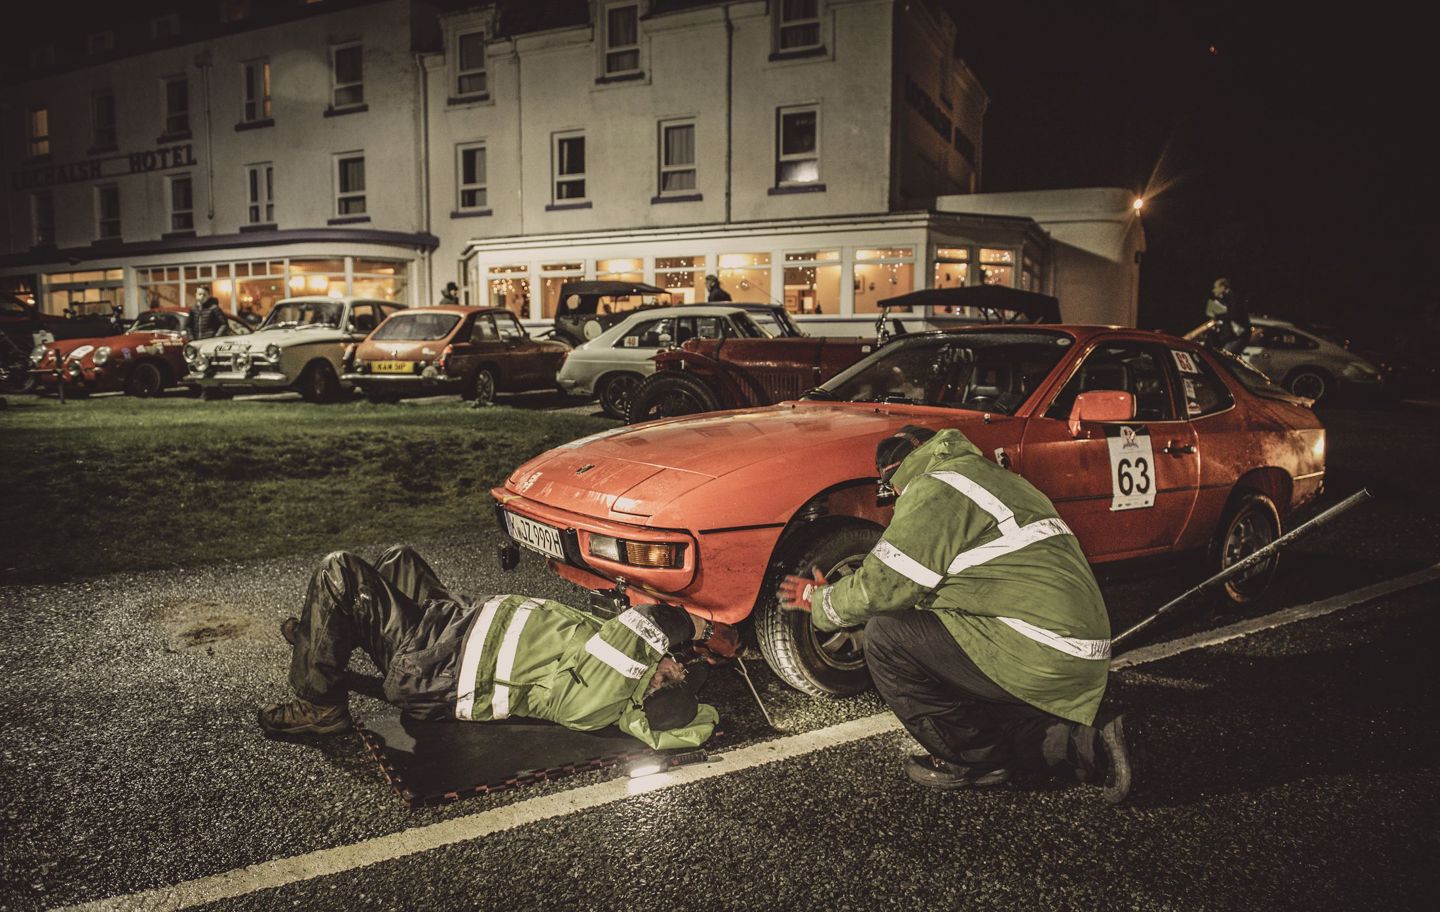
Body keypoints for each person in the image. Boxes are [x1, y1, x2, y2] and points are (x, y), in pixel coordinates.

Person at [779, 426, 1136, 803]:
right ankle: (1088, 745)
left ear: (895, 476)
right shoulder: (992, 477)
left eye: (893, 491)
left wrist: (822, 602)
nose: (896, 499)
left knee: (888, 636)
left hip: (1036, 651)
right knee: (967, 696)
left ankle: (972, 762)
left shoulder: (935, 487)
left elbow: (882, 586)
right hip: (1077, 651)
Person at [258, 545, 738, 749]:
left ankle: (319, 701)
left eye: (675, 673)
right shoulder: (616, 672)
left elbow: (647, 625)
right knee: (399, 558)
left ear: (654, 689)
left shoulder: (604, 697)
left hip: (439, 663)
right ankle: (323, 639)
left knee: (339, 570)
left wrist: (700, 628)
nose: (675, 664)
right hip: (454, 626)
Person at [1204, 277, 1251, 355]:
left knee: (1223, 356)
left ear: (1222, 287)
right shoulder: (1228, 298)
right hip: (1235, 336)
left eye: (1215, 287)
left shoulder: (1232, 298)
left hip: (1237, 337)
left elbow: (1233, 315)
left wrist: (1218, 315)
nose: (1213, 290)